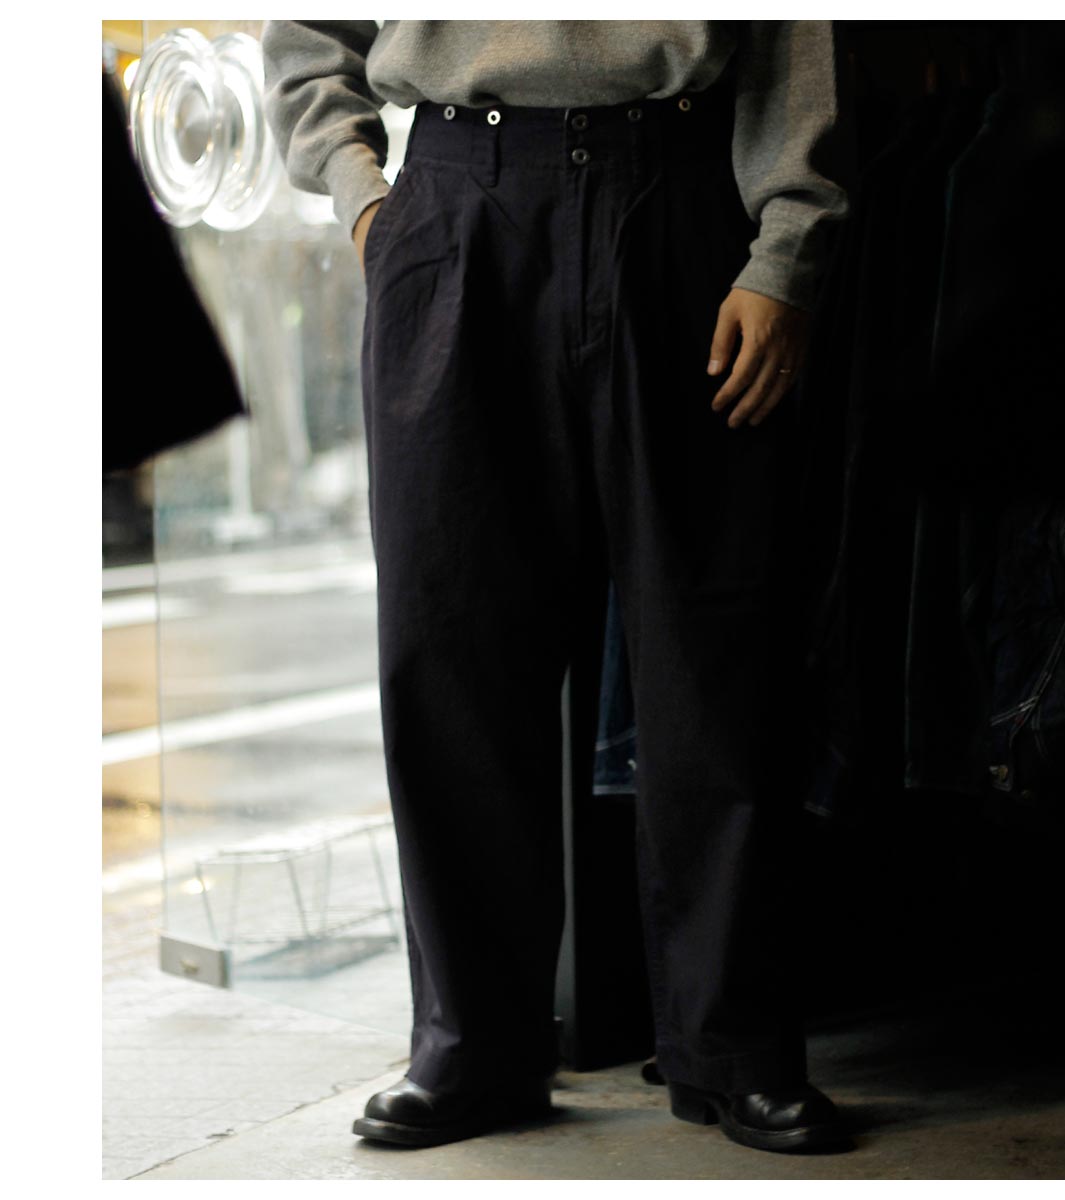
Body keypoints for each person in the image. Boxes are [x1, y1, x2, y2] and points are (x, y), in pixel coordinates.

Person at [262, 19, 852, 1156]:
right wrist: (366, 197)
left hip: (683, 193)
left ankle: (735, 1047)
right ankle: (472, 1045)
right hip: (454, 205)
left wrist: (787, 247)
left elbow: (791, 38)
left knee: (716, 648)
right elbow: (305, 33)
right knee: (451, 648)